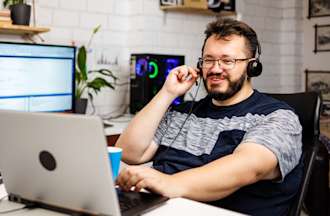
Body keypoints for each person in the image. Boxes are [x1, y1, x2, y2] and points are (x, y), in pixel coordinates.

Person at [115, 18, 303, 216]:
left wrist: (168, 183)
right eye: (208, 59)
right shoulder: (182, 112)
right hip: (158, 208)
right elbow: (128, 153)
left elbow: (248, 167)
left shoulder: (278, 117)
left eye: (227, 60)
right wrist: (167, 93)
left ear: (252, 66)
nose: (215, 68)